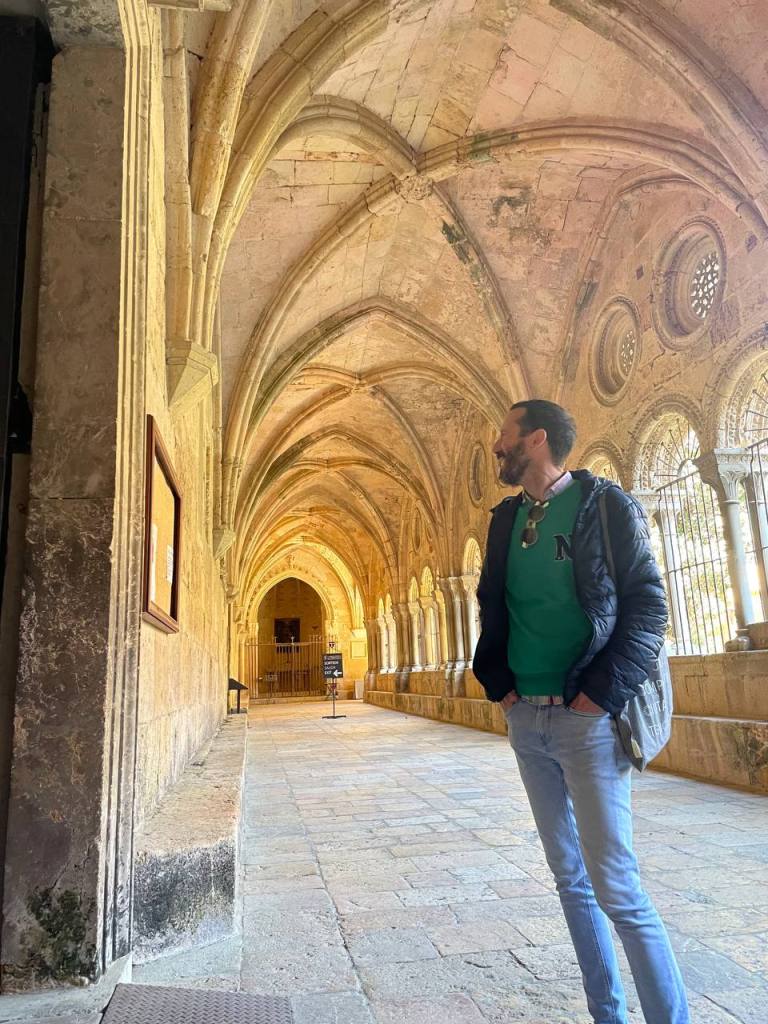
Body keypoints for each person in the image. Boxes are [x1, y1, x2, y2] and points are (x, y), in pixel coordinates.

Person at [473, 399, 689, 1024]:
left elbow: (648, 607)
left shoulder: (605, 506)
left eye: (505, 436)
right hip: (526, 718)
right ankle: (607, 1014)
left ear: (536, 440)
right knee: (569, 878)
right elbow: (492, 603)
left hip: (587, 720)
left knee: (616, 887)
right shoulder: (506, 519)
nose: (497, 446)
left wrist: (603, 693)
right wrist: (498, 682)